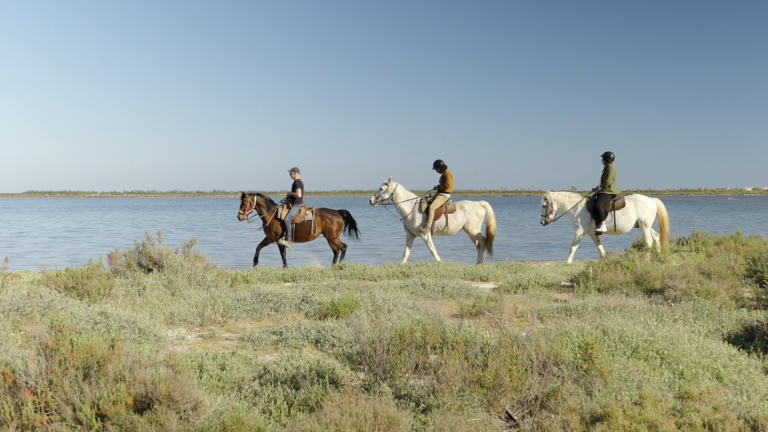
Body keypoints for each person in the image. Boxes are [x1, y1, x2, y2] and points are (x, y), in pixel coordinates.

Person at [421, 159, 454, 235]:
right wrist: (437, 188)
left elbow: (448, 185)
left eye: (436, 169)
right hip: (440, 193)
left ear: (440, 167)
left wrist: (438, 187)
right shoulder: (444, 173)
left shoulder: (447, 173)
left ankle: (428, 227)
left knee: (432, 207)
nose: (436, 170)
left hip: (444, 195)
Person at [591, 151, 620, 233]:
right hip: (605, 190)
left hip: (609, 191)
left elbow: (608, 181)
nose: (601, 160)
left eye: (602, 159)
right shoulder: (607, 168)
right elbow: (603, 182)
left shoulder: (611, 168)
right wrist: (596, 188)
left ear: (606, 159)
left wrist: (599, 189)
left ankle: (603, 225)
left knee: (598, 205)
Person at [278, 167, 304, 248]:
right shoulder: (298, 182)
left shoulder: (297, 182)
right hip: (294, 204)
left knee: (287, 220)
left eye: (290, 172)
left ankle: (288, 240)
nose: (289, 174)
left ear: (295, 173)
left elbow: (299, 195)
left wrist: (290, 193)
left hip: (297, 205)